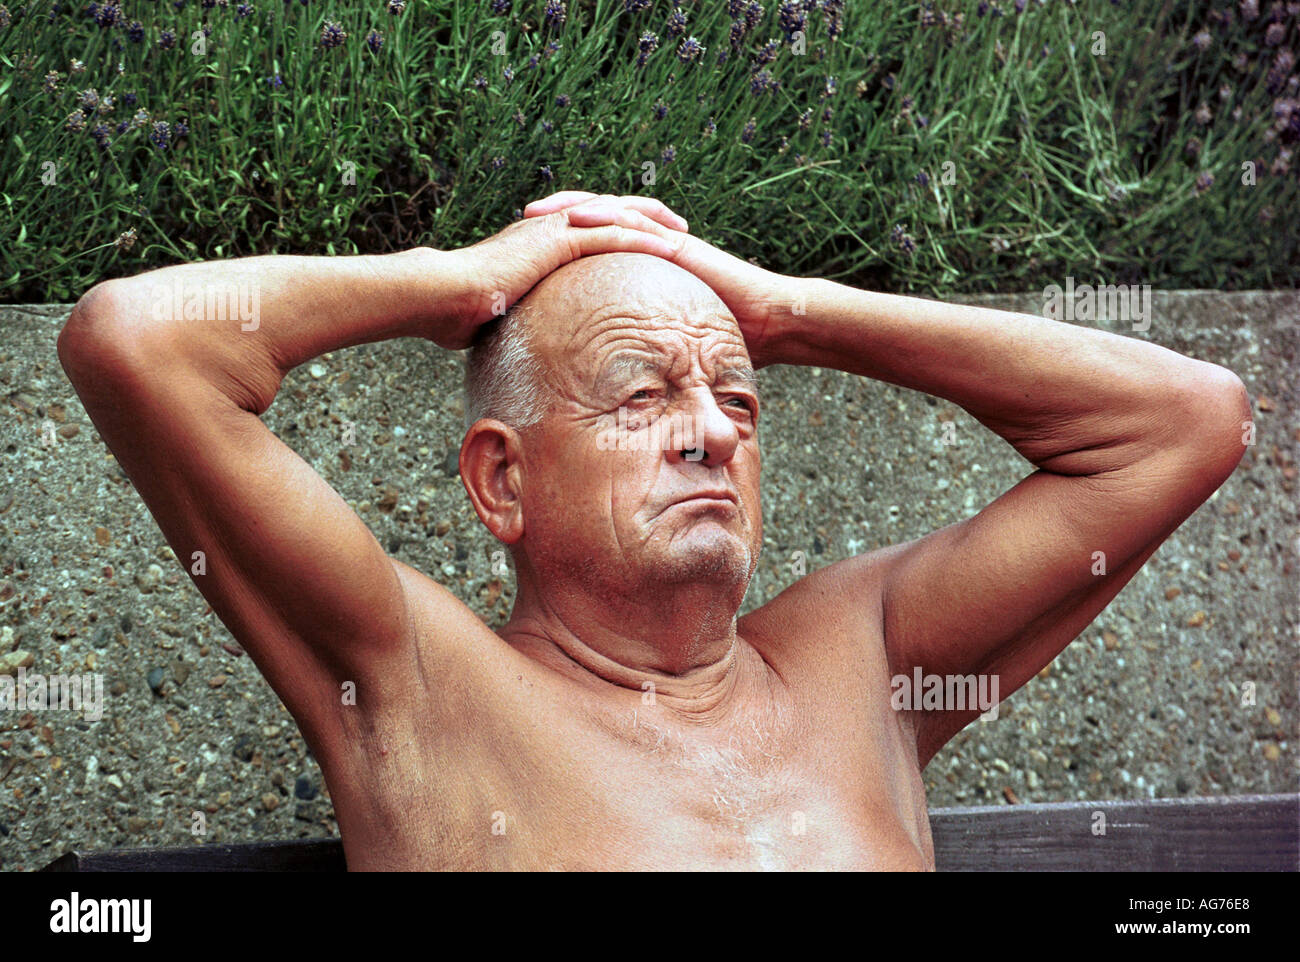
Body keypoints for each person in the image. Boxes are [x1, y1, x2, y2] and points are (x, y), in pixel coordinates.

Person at [57, 191, 1250, 870]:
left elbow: (1187, 420)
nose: (711, 432)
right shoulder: (414, 682)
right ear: (500, 483)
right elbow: (138, 340)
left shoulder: (865, 658)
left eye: (738, 399)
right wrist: (459, 284)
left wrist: (790, 309)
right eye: (641, 395)